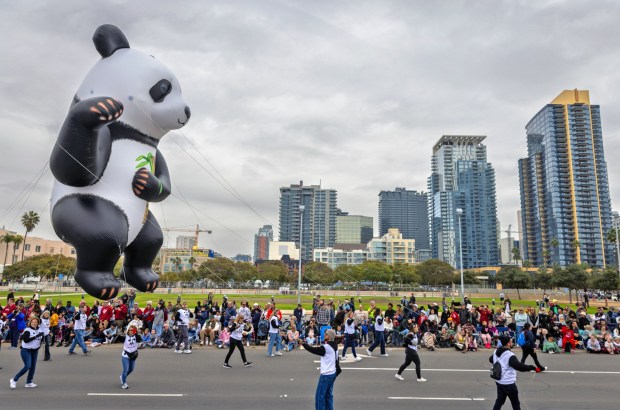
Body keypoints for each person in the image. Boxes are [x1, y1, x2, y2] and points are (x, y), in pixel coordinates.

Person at [490, 335, 540, 410]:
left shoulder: (496, 351)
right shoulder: (510, 355)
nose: (512, 342)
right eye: (511, 341)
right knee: (515, 403)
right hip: (508, 383)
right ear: (508, 343)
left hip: (499, 381)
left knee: (499, 401)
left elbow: (491, 360)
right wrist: (532, 367)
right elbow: (519, 367)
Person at [303, 329, 340, 410]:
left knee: (320, 396)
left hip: (326, 374)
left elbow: (314, 350)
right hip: (333, 373)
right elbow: (337, 360)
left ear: (329, 336)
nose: (324, 335)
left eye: (326, 334)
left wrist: (304, 344)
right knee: (328, 396)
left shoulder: (326, 347)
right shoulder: (335, 346)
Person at [10, 316, 44, 389]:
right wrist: (36, 336)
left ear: (38, 323)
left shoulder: (40, 330)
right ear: (30, 322)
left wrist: (40, 344)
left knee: (33, 367)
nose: (34, 323)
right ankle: (14, 380)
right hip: (26, 350)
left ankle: (29, 382)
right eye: (33, 322)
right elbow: (26, 340)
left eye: (36, 322)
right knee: (28, 366)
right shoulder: (27, 330)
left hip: (35, 351)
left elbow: (41, 339)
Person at [120, 324, 141, 389]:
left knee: (131, 369)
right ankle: (124, 383)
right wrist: (120, 332)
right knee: (125, 369)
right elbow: (120, 338)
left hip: (133, 355)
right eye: (129, 330)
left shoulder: (136, 337)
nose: (130, 331)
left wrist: (136, 333)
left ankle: (122, 377)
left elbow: (139, 340)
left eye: (132, 330)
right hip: (125, 355)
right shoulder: (125, 336)